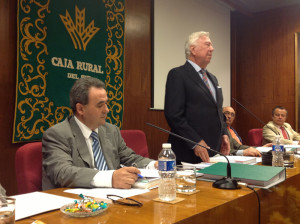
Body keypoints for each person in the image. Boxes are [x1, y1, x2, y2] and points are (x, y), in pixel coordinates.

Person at [42, 77, 157, 190]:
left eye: (106, 104)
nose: (106, 110)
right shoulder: (58, 134)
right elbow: (63, 173)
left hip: (114, 198)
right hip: (75, 202)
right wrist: (110, 178)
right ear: (81, 109)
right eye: (100, 105)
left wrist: (155, 165)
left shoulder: (111, 131)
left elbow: (130, 158)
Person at [164, 31, 230, 164]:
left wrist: (224, 134)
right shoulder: (178, 74)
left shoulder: (213, 79)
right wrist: (195, 142)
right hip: (188, 153)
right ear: (193, 49)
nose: (212, 48)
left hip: (214, 152)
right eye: (207, 45)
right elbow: (174, 115)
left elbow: (218, 111)